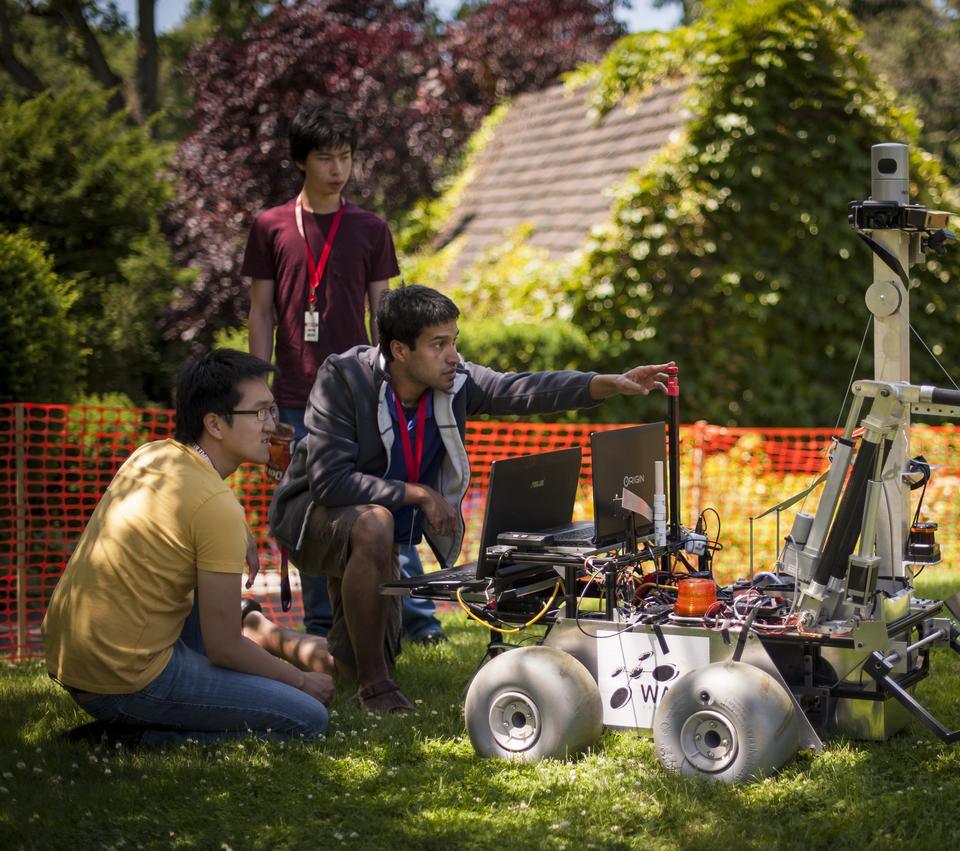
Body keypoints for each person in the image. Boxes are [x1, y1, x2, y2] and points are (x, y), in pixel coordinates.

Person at [269, 285, 672, 713]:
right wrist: (419, 494)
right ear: (400, 350)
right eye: (439, 344)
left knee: (345, 664)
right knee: (375, 524)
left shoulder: (456, 382)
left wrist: (605, 384)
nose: (453, 356)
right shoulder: (343, 378)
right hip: (310, 517)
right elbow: (330, 483)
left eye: (454, 341)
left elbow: (520, 389)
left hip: (371, 529)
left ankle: (263, 634)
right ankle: (377, 687)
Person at [43, 350, 335, 745]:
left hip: (71, 658)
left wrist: (240, 532)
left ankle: (148, 718)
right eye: (261, 413)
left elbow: (187, 518)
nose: (274, 425)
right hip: (125, 680)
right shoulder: (216, 506)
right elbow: (225, 647)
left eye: (272, 410)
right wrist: (302, 680)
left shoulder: (153, 454)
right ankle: (132, 737)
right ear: (214, 423)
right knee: (309, 720)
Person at [242, 102, 445, 643]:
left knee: (385, 500)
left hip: (363, 396)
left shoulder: (371, 228)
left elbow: (389, 313)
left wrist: (399, 382)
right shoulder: (270, 227)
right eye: (326, 158)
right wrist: (260, 390)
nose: (338, 168)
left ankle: (419, 623)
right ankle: (320, 626)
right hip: (292, 395)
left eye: (346, 157)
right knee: (313, 512)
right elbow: (260, 312)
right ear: (301, 162)